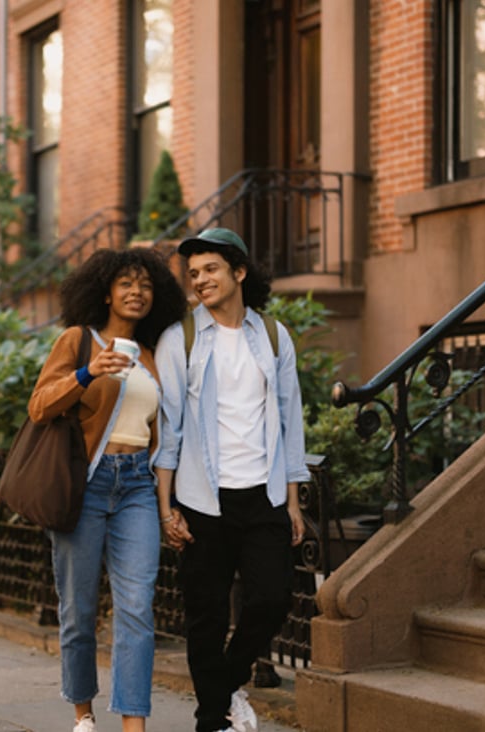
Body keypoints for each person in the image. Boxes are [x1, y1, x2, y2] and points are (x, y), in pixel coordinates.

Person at [27, 247, 188, 732]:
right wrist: (87, 373)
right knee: (78, 611)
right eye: (126, 284)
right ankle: (82, 714)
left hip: (137, 485)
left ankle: (133, 725)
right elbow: (39, 406)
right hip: (89, 485)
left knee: (137, 608)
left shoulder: (155, 357)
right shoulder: (79, 341)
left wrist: (167, 506)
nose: (137, 292)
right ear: (106, 293)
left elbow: (164, 437)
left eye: (145, 285)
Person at [153, 227, 308, 732]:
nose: (200, 280)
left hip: (261, 494)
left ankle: (224, 686)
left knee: (272, 598)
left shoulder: (272, 334)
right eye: (193, 273)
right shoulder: (182, 338)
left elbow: (290, 418)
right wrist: (166, 507)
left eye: (211, 269)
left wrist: (291, 500)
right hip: (202, 499)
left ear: (238, 271)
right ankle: (212, 720)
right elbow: (170, 428)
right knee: (206, 615)